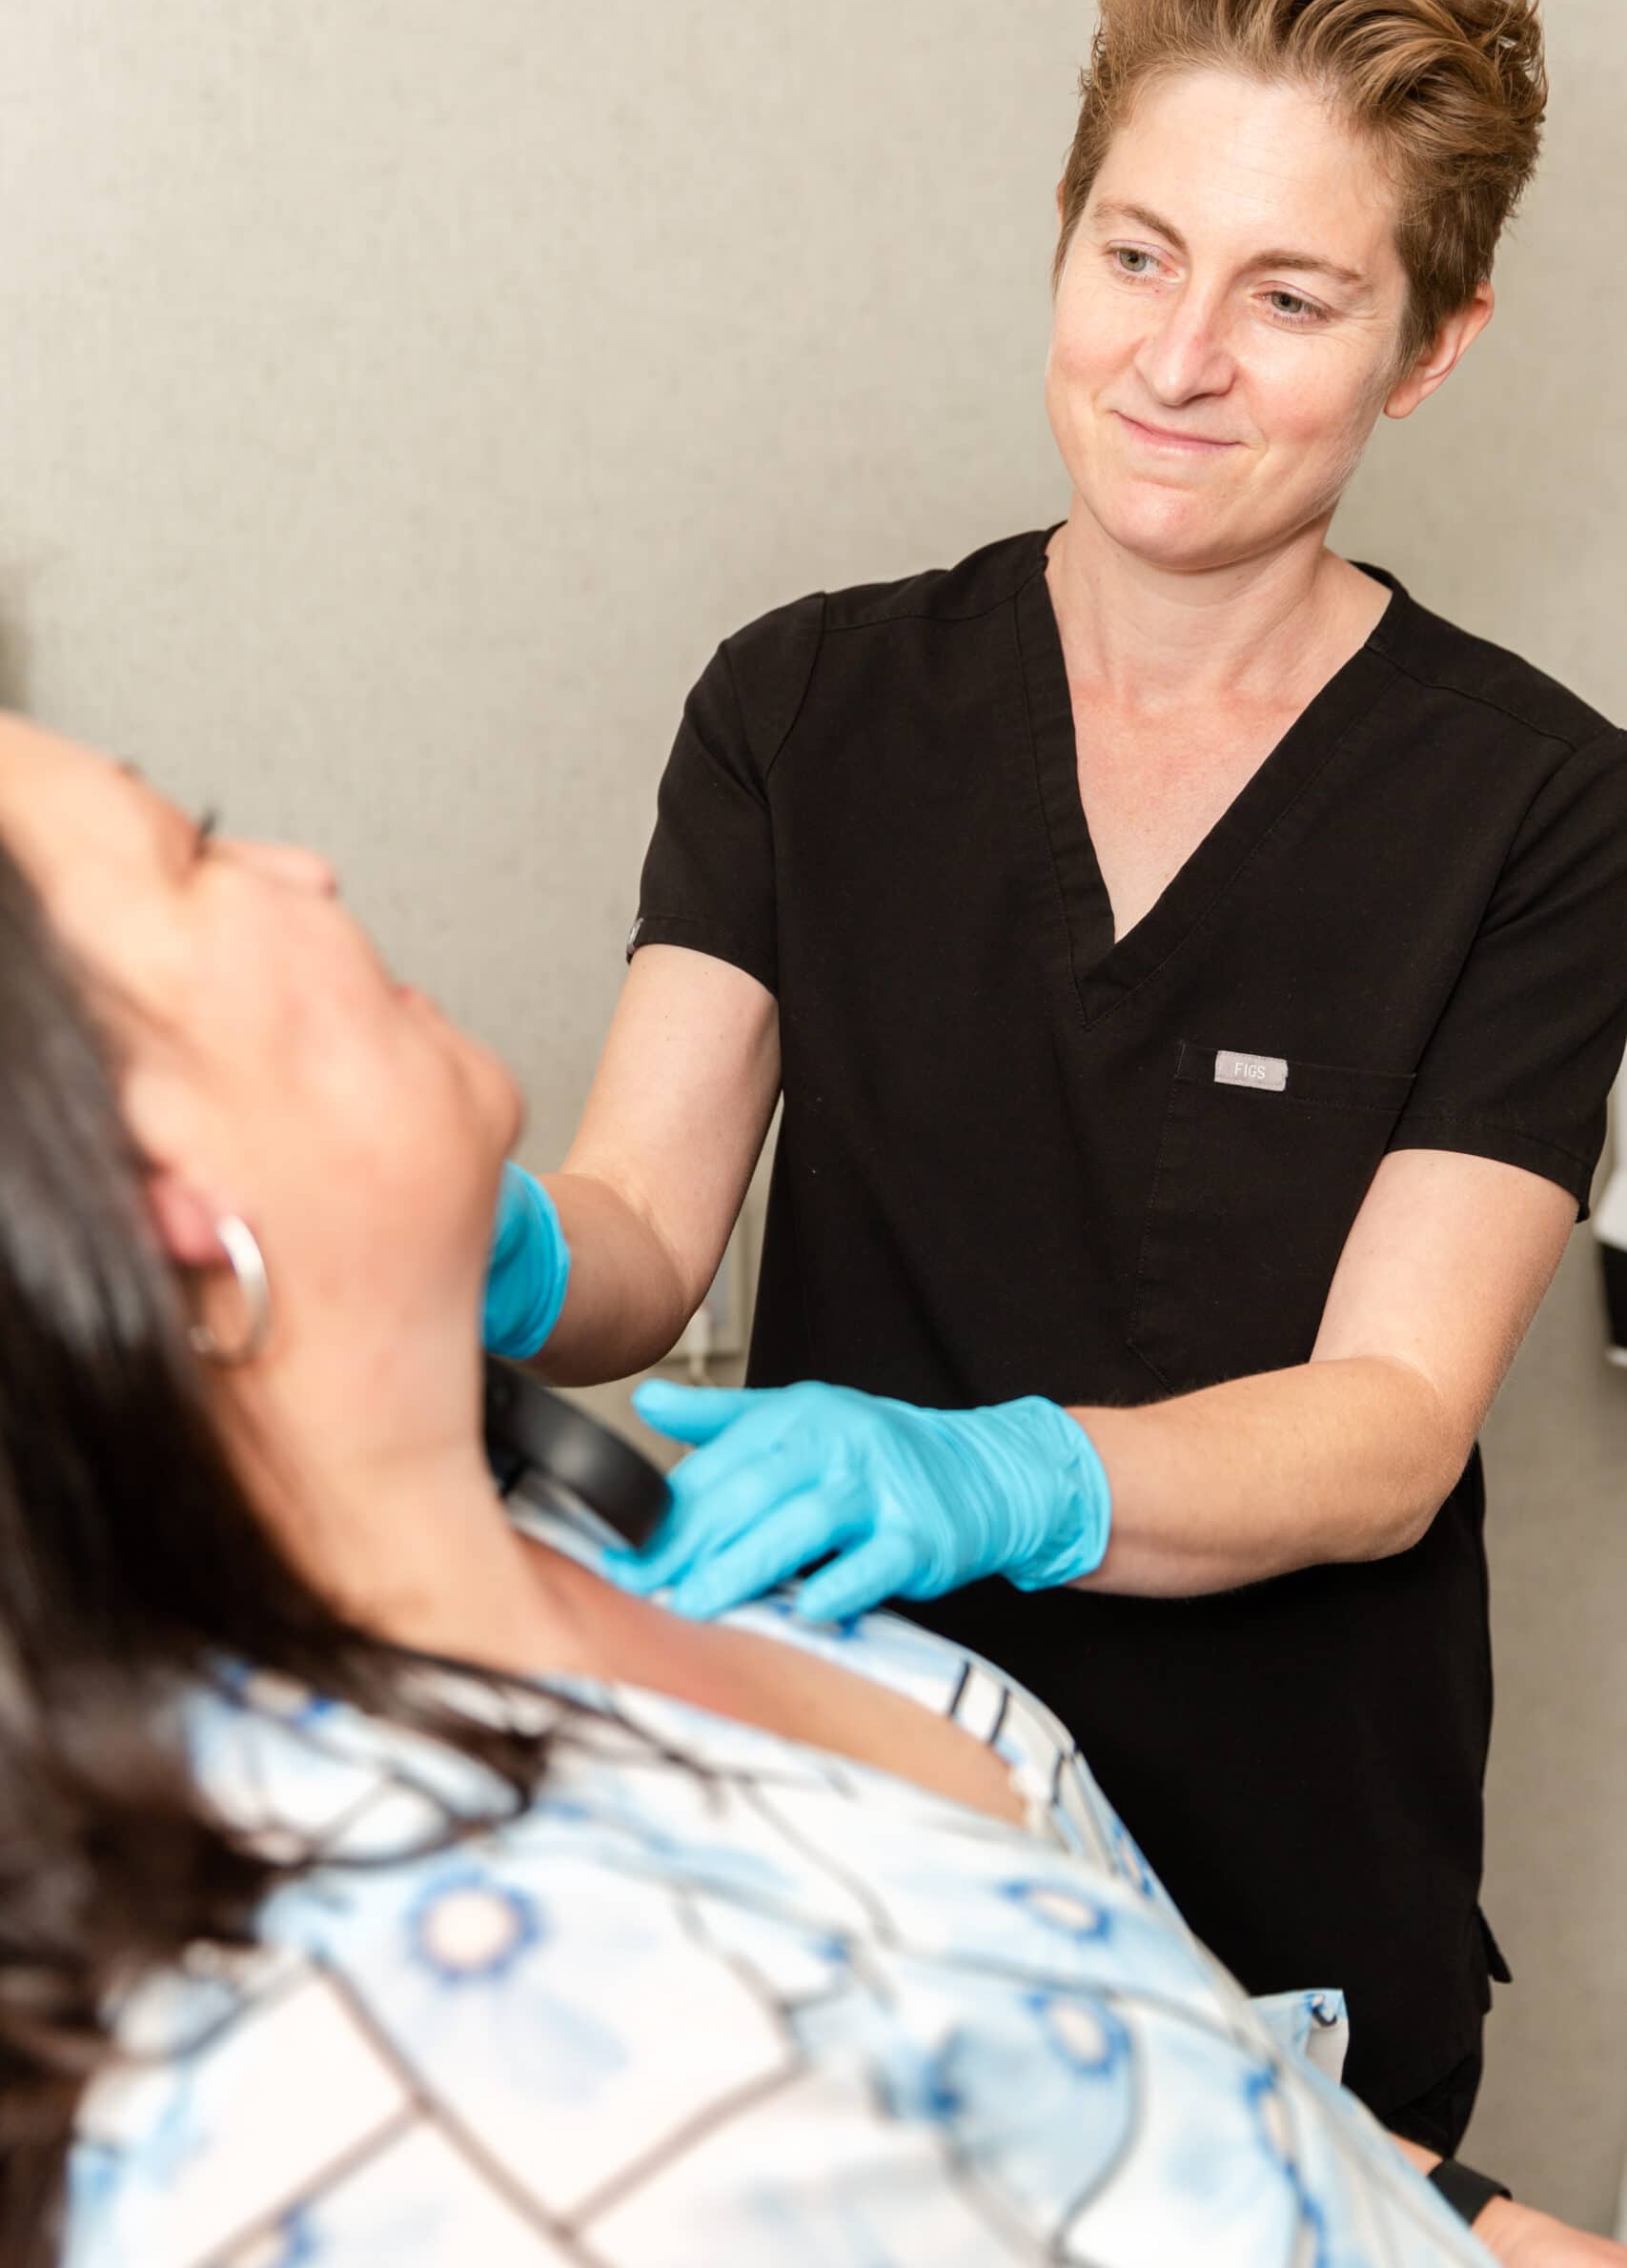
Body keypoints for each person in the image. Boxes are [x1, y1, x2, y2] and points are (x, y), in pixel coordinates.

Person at [478, 0, 1627, 2158]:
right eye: (1134, 252)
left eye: (1290, 296)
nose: (1173, 360)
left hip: (1288, 1924)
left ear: (1432, 342)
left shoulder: (1532, 805)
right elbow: (639, 1225)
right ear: (1066, 236)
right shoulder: (804, 705)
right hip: (863, 1873)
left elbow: (1390, 1416)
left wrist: (984, 1467)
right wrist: (483, 1241)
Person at [2, 718, 1621, 2268]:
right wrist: (548, 1244)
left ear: (1411, 399)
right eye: (198, 853)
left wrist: (1460, 2218)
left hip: (1314, 1913)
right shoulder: (445, 2031)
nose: (303, 866)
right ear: (163, 1206)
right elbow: (637, 1213)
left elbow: (1071, 2048)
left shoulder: (585, 1556)